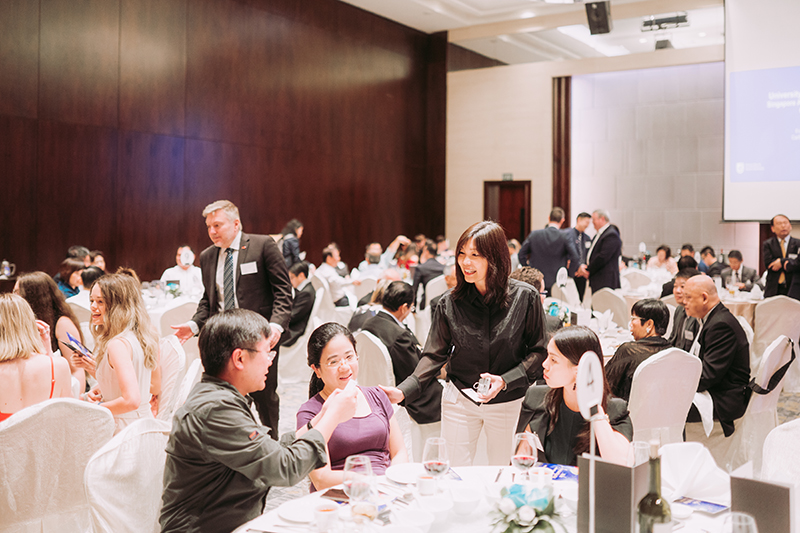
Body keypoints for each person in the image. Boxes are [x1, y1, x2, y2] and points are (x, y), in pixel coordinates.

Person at [160, 311, 357, 533]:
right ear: (240, 358)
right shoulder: (215, 409)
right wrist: (333, 416)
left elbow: (268, 453)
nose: (270, 360)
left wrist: (322, 416)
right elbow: (285, 468)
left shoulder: (221, 397)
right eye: (266, 352)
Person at [381, 221, 547, 466]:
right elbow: (433, 355)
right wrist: (404, 390)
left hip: (508, 400)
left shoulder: (525, 297)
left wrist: (505, 380)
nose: (465, 262)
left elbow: (538, 351)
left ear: (496, 257)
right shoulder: (449, 302)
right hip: (460, 399)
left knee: (502, 471)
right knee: (454, 471)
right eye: (461, 254)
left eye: (475, 255)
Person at [171, 200, 293, 440]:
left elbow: (283, 291)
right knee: (227, 395)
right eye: (209, 226)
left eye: (217, 225)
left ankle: (272, 443)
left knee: (264, 396)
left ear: (236, 224)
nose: (212, 231)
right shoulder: (208, 256)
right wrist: (194, 325)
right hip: (222, 339)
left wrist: (275, 325)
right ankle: (238, 442)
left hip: (259, 337)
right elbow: (208, 300)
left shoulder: (262, 246)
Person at [296, 323, 407, 490]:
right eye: (333, 361)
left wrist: (391, 481)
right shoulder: (311, 413)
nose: (345, 367)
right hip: (340, 493)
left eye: (349, 357)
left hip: (385, 488)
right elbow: (321, 479)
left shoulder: (377, 395)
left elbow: (399, 452)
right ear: (317, 370)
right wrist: (368, 481)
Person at [516, 327, 632, 466]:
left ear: (579, 370)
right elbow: (521, 461)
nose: (544, 364)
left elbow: (621, 464)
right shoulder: (536, 398)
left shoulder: (615, 410)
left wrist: (596, 412)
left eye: (553, 360)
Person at [75, 272, 159, 433]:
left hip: (123, 428)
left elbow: (131, 400)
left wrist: (97, 407)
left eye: (100, 301)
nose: (93, 306)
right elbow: (149, 387)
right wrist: (105, 388)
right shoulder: (143, 336)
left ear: (119, 306)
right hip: (144, 423)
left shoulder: (117, 345)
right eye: (92, 300)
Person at [363, 282, 442, 442]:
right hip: (409, 396)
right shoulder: (399, 336)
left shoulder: (369, 322)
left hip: (376, 388)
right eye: (411, 308)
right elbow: (417, 373)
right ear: (404, 307)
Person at [683, 276, 751, 439]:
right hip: (716, 387)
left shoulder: (721, 325)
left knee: (669, 404)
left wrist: (677, 385)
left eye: (688, 297)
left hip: (725, 397)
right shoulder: (709, 318)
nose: (683, 302)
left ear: (704, 298)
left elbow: (708, 376)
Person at [0, 294, 72, 421]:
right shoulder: (58, 366)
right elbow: (69, 416)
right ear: (30, 323)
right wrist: (48, 353)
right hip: (48, 434)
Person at [15, 271, 88, 390]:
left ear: (34, 296)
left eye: (18, 292)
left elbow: (77, 369)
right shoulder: (22, 322)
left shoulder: (62, 323)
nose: (14, 297)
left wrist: (76, 397)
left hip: (62, 389)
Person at [605, 299, 671, 401]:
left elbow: (604, 384)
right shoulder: (672, 352)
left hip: (629, 409)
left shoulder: (629, 351)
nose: (630, 324)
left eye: (633, 319)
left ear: (649, 324)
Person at [518, 207, 579, 292]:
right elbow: (575, 257)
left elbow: (521, 254)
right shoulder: (564, 236)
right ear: (562, 220)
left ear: (549, 218)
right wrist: (569, 275)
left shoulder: (535, 234)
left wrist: (529, 271)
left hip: (536, 280)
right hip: (557, 282)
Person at [509, 266, 562, 340]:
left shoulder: (499, 322)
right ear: (534, 296)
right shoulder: (552, 324)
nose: (544, 297)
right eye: (542, 292)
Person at [575, 209, 622, 292]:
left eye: (594, 219)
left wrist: (588, 270)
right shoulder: (600, 234)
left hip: (605, 280)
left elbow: (602, 257)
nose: (592, 222)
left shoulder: (611, 234)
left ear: (602, 219)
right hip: (598, 278)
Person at [280, 261, 316, 347]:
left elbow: (294, 316)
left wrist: (279, 320)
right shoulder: (304, 289)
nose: (290, 281)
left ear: (301, 276)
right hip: (294, 324)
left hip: (296, 329)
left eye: (292, 278)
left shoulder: (306, 292)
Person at [763, 215, 800, 297]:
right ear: (772, 228)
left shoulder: (798, 243)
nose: (783, 226)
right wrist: (789, 263)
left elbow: (798, 264)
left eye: (785, 223)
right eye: (779, 223)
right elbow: (769, 264)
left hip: (793, 287)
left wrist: (781, 262)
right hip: (774, 287)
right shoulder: (768, 244)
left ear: (790, 226)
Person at [667, 268, 701, 352]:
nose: (677, 291)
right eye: (675, 286)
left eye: (682, 286)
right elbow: (672, 338)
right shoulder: (679, 309)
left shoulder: (699, 315)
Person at [562, 212, 592, 300]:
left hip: (582, 274)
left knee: (580, 298)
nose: (587, 225)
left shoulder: (587, 238)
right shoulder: (568, 234)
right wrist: (577, 267)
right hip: (571, 272)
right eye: (586, 222)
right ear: (579, 220)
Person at [412, 239, 445, 310]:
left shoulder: (421, 268)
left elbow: (414, 290)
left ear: (426, 252)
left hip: (426, 305)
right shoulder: (443, 268)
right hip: (442, 304)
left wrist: (413, 309)